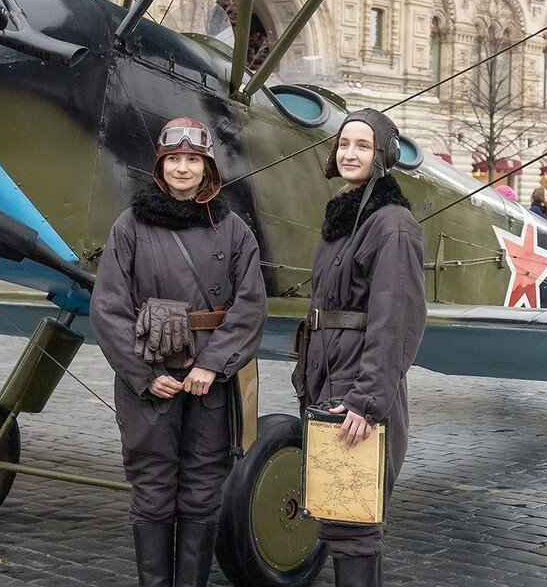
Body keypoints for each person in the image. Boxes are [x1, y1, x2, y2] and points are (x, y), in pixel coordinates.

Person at [90, 117, 266, 587]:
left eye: (192, 160)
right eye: (174, 160)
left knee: (202, 492)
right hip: (150, 378)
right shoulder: (130, 226)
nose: (183, 168)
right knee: (151, 490)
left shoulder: (234, 231)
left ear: (207, 167)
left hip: (209, 379)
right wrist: (143, 373)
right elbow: (108, 307)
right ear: (160, 166)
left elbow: (250, 306)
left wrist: (212, 363)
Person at [293, 108, 426, 587]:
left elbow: (397, 319)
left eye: (363, 145)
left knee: (354, 524)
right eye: (344, 143)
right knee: (342, 520)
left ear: (383, 156)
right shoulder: (346, 218)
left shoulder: (392, 224)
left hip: (358, 391)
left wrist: (366, 402)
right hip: (332, 378)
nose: (350, 153)